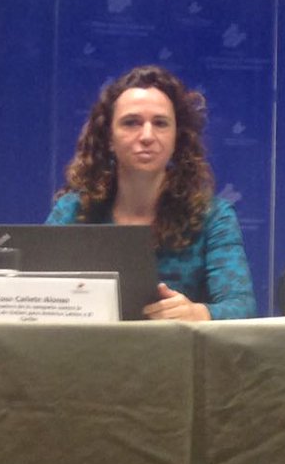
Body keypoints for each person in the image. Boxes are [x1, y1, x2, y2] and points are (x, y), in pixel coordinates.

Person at [47, 65, 256, 320]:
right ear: (109, 139)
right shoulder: (74, 210)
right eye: (131, 123)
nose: (147, 136)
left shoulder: (213, 216)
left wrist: (198, 312)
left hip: (177, 346)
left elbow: (242, 306)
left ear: (177, 138)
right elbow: (31, 292)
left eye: (160, 123)